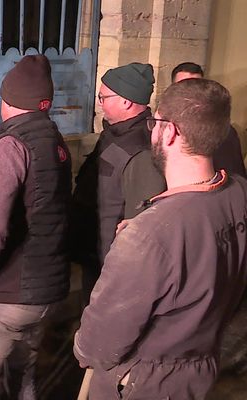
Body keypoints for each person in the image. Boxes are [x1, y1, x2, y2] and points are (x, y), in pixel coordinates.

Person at [74, 78, 247, 399]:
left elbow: (98, 346)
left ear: (170, 131)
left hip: (146, 383)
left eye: (156, 122)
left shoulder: (147, 236)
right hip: (201, 370)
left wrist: (140, 244)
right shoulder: (238, 191)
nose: (151, 130)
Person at [0, 55, 72, 399]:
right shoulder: (55, 139)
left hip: (11, 296)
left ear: (7, 101)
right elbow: (30, 165)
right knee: (24, 375)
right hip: (48, 291)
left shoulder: (11, 150)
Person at [70, 62, 166, 299]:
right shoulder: (114, 132)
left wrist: (119, 265)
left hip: (111, 260)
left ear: (126, 101)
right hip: (93, 248)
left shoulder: (141, 149)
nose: (99, 102)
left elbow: (142, 220)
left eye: (103, 97)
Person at [171, 61, 246, 177]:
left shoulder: (225, 133)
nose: (191, 94)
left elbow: (236, 177)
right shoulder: (160, 127)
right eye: (184, 87)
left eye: (197, 86)